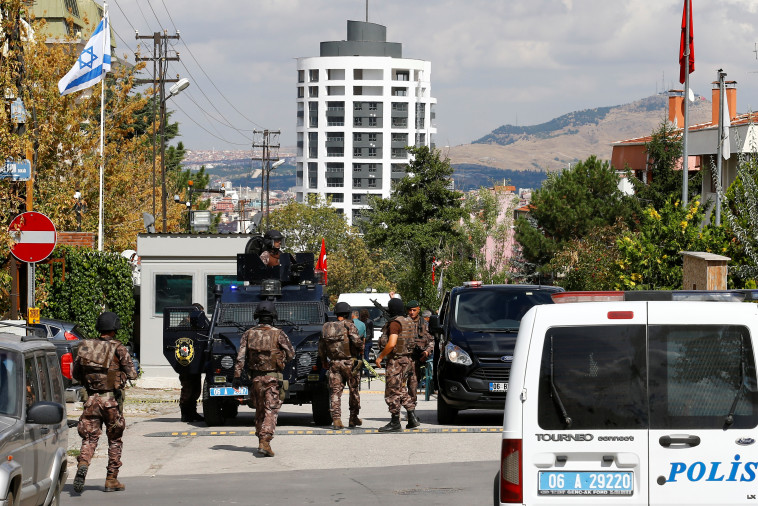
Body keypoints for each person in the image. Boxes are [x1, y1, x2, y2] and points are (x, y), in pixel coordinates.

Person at [73, 311, 138, 494]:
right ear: (114, 328)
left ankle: (83, 464)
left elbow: (76, 374)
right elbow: (132, 373)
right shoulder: (118, 348)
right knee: (115, 439)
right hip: (111, 402)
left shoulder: (85, 347)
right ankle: (111, 479)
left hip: (92, 399)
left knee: (89, 437)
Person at [232, 301, 294, 457]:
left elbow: (240, 357)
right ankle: (265, 441)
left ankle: (261, 439)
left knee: (259, 411)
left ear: (256, 316)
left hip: (255, 379)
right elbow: (291, 353)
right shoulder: (278, 333)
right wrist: (283, 361)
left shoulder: (249, 333)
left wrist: (237, 376)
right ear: (273, 316)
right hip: (273, 378)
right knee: (270, 410)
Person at [375, 298, 420, 432]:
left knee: (392, 391)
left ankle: (395, 422)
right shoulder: (409, 321)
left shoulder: (395, 323)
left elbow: (392, 343)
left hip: (396, 361)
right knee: (401, 389)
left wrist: (380, 356)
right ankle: (412, 417)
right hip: (407, 360)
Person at [319, 302, 364, 429]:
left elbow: (321, 346)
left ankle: (336, 419)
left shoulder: (326, 327)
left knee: (335, 392)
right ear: (348, 313)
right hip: (350, 363)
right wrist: (361, 346)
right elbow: (356, 341)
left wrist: (323, 360)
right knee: (353, 391)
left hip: (334, 363)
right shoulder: (350, 325)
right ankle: (353, 418)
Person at [178, 302, 206, 422]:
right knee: (187, 389)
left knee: (196, 390)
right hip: (186, 362)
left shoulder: (197, 324)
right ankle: (185, 413)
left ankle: (192, 412)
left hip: (195, 362)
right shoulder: (185, 324)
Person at [405, 300, 434, 406]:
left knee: (413, 385)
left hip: (416, 359)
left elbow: (432, 341)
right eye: (409, 310)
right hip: (403, 358)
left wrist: (426, 352)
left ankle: (411, 410)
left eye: (414, 310)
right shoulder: (404, 322)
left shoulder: (424, 324)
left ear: (418, 309)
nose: (411, 312)